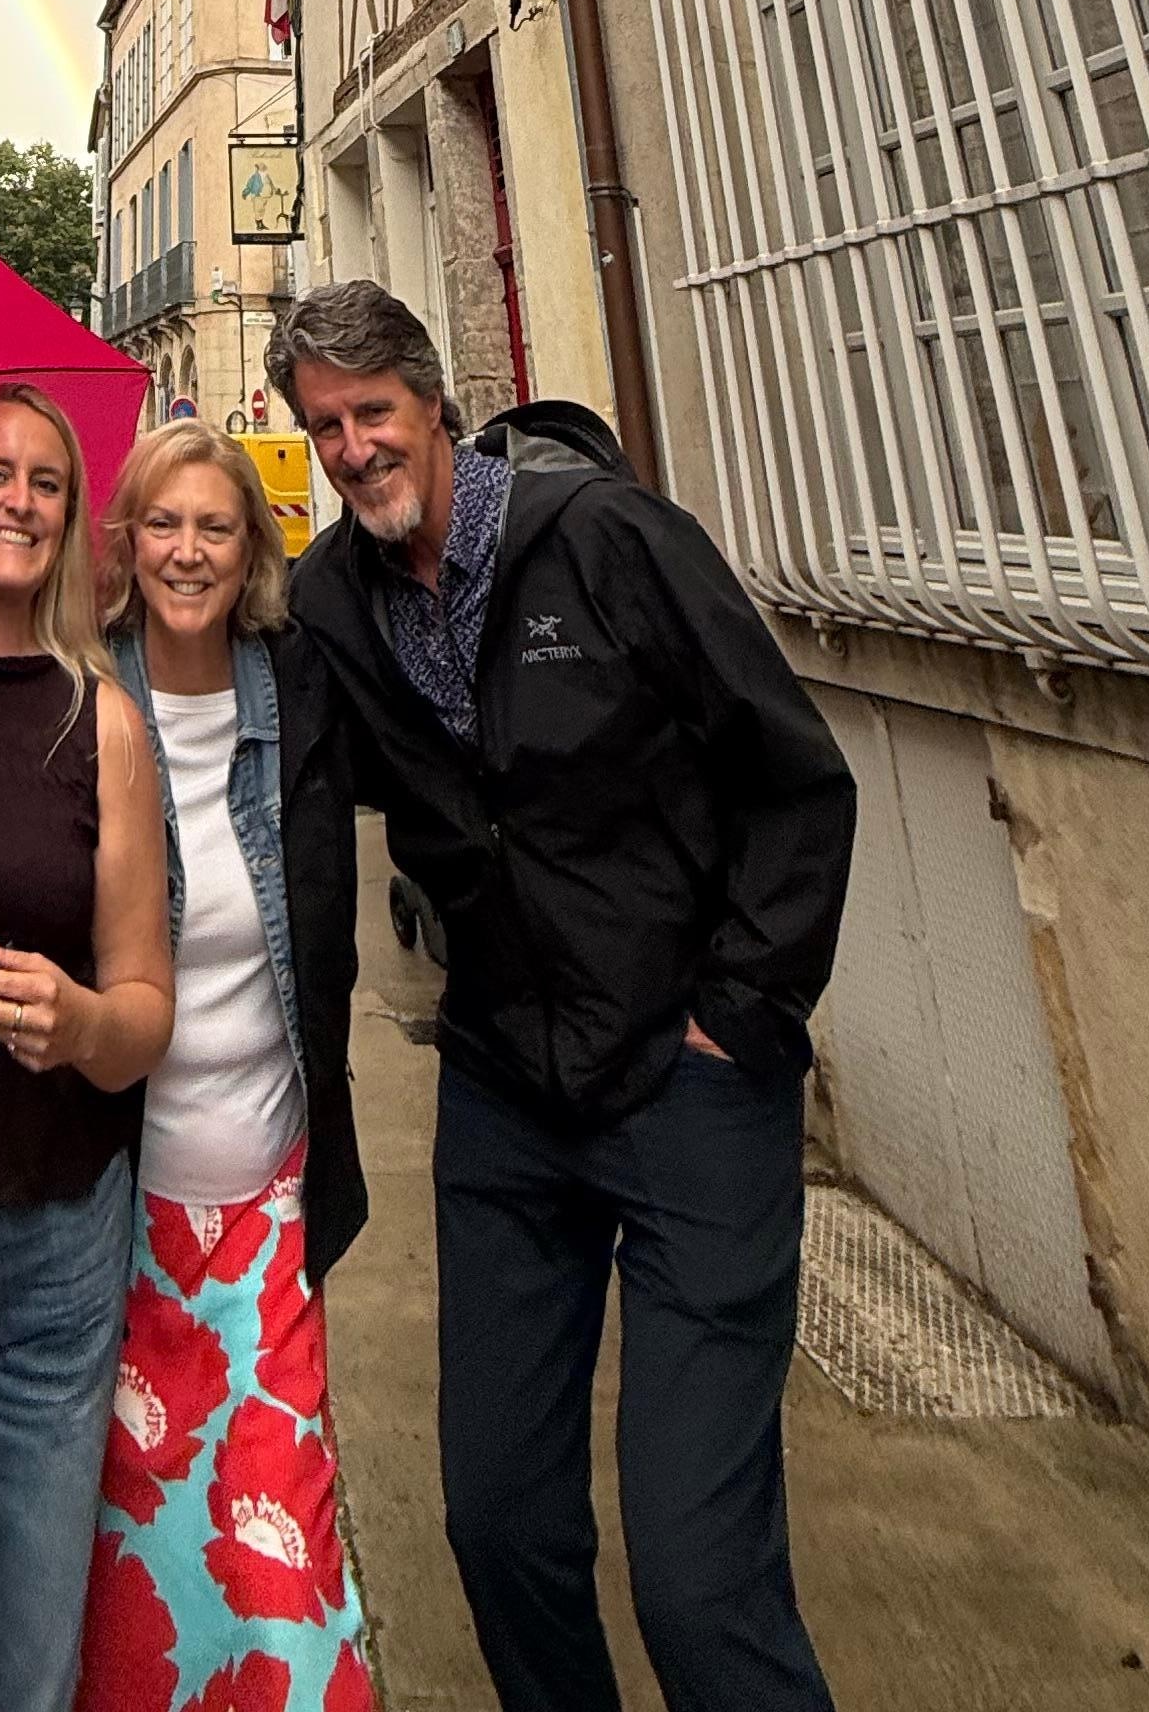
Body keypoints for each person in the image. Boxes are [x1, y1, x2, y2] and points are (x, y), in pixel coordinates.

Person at [275, 281, 856, 1712]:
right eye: (323, 427)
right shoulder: (333, 603)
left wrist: (740, 1014)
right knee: (501, 1523)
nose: (351, 450)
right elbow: (254, 779)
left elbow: (795, 777)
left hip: (688, 1086)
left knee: (698, 1575)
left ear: (434, 409)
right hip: (504, 1100)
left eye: (372, 415)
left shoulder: (601, 538)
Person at [75, 423, 368, 1712]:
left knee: (284, 1563)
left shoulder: (300, 689)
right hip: (114, 1214)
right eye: (163, 523)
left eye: (216, 525)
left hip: (265, 1209)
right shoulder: (76, 701)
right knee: (132, 1568)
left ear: (252, 546)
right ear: (126, 543)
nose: (188, 551)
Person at [0, 387, 174, 1712]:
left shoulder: (101, 723)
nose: (16, 499)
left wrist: (77, 1027)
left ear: (69, 521)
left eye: (47, 483)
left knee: (19, 1667)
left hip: (51, 1253)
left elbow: (143, 1015)